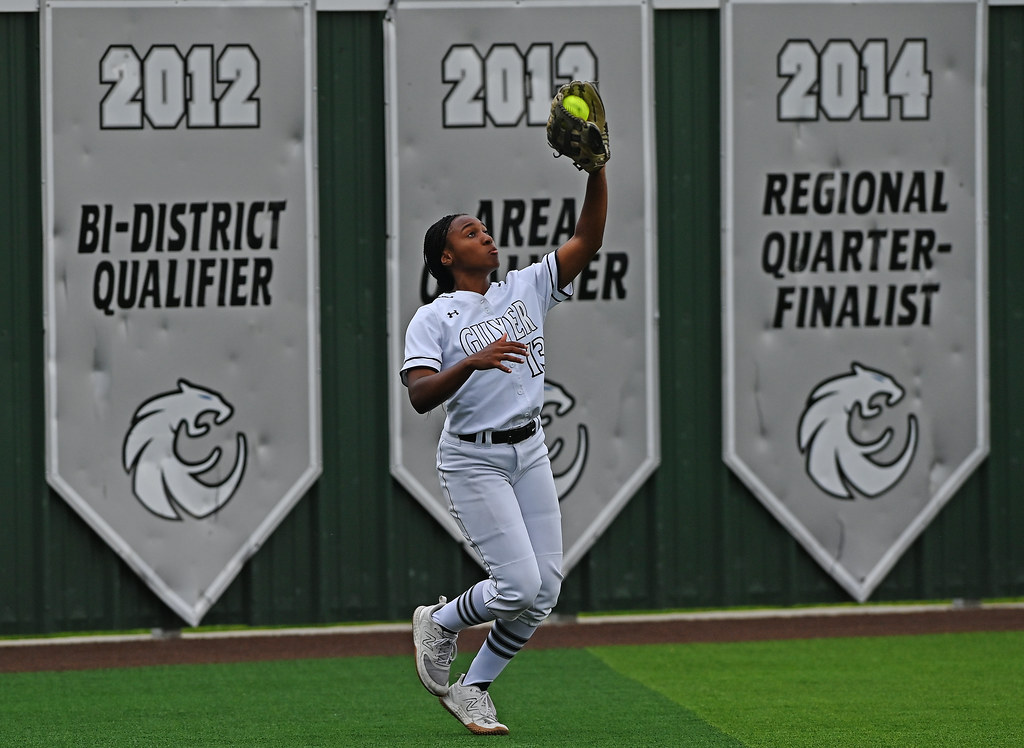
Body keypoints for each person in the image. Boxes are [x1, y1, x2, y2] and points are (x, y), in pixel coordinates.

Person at [402, 164, 608, 736]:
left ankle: (474, 687)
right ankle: (440, 622)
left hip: (530, 451)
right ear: (445, 257)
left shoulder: (525, 287)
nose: (486, 235)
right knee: (517, 585)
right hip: (474, 458)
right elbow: (419, 395)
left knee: (544, 591)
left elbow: (589, 238)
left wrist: (597, 170)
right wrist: (467, 363)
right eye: (470, 232)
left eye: (485, 229)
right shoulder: (434, 317)